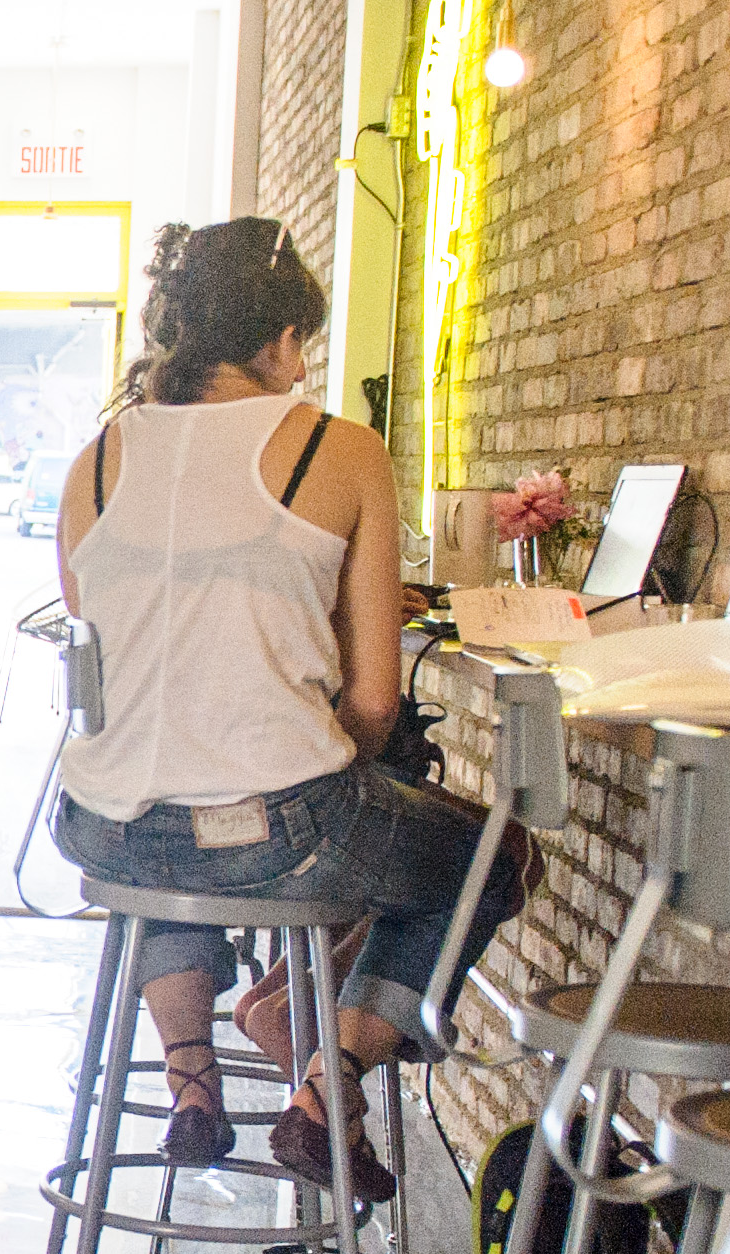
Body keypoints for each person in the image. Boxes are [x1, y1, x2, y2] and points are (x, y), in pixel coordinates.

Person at [50, 216, 530, 1196]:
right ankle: (325, 1083)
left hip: (100, 828)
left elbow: (109, 656)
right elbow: (374, 700)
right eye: (299, 344)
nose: (302, 366)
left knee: (169, 821)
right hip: (278, 830)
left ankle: (192, 1085)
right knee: (496, 856)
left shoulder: (92, 461)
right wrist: (308, 746)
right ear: (276, 340)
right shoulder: (339, 450)